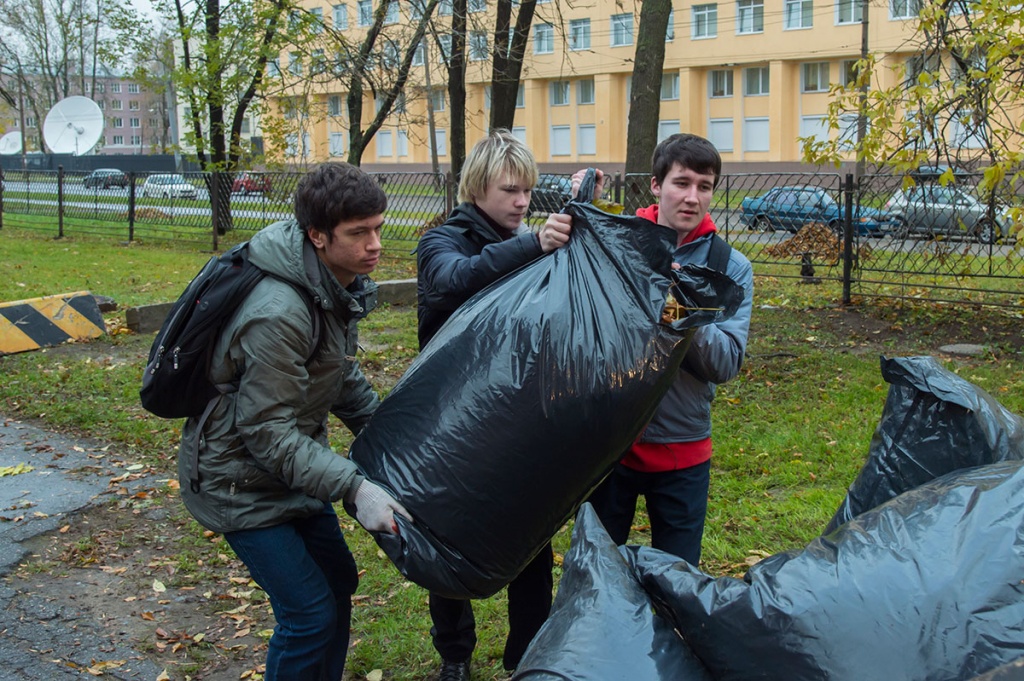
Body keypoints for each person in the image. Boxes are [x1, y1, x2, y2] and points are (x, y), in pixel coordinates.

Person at [176, 162, 409, 681]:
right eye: (359, 233)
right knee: (308, 615)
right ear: (318, 236)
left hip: (290, 469)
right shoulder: (279, 311)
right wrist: (355, 488)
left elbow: (338, 377)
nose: (375, 244)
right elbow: (265, 431)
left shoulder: (333, 282)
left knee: (338, 582)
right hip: (237, 481)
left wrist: (393, 436)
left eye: (378, 228)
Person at [416, 129, 574, 681]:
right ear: (478, 187)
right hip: (449, 426)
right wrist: (534, 245)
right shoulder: (442, 241)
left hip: (515, 421)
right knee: (445, 544)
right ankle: (454, 658)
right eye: (510, 190)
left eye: (528, 190)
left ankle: (524, 659)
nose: (522, 201)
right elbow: (454, 279)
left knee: (531, 545)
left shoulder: (530, 239)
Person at [583, 133, 754, 566]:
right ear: (657, 186)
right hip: (610, 445)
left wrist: (680, 301)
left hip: (682, 451)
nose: (693, 196)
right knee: (598, 573)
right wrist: (583, 203)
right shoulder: (623, 245)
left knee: (676, 585)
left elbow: (726, 362)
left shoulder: (729, 268)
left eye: (705, 185)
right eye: (682, 182)